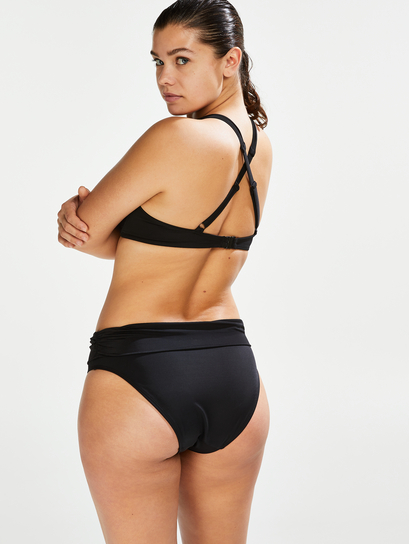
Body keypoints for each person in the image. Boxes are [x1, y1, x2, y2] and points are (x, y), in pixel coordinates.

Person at [57, 0, 272, 542]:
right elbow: (170, 240)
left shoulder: (174, 137)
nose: (164, 79)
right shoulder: (259, 146)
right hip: (233, 374)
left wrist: (76, 214)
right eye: (157, 61)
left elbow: (88, 232)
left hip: (138, 372)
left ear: (230, 60)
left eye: (181, 60)